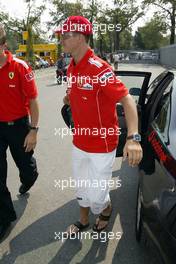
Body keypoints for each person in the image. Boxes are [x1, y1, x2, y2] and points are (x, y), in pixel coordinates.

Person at [55, 16, 143, 235]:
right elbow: (76, 95)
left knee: (97, 195)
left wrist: (133, 138)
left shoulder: (99, 69)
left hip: (102, 144)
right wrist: (69, 100)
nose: (61, 40)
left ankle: (105, 209)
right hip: (79, 141)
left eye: (66, 35)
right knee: (81, 186)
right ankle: (83, 220)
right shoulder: (71, 68)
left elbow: (127, 99)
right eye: (61, 35)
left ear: (81, 37)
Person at [0, 23, 39, 240]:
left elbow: (33, 101)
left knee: (25, 164)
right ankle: (4, 217)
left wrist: (33, 130)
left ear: (4, 45)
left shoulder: (21, 67)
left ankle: (30, 175)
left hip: (19, 125)